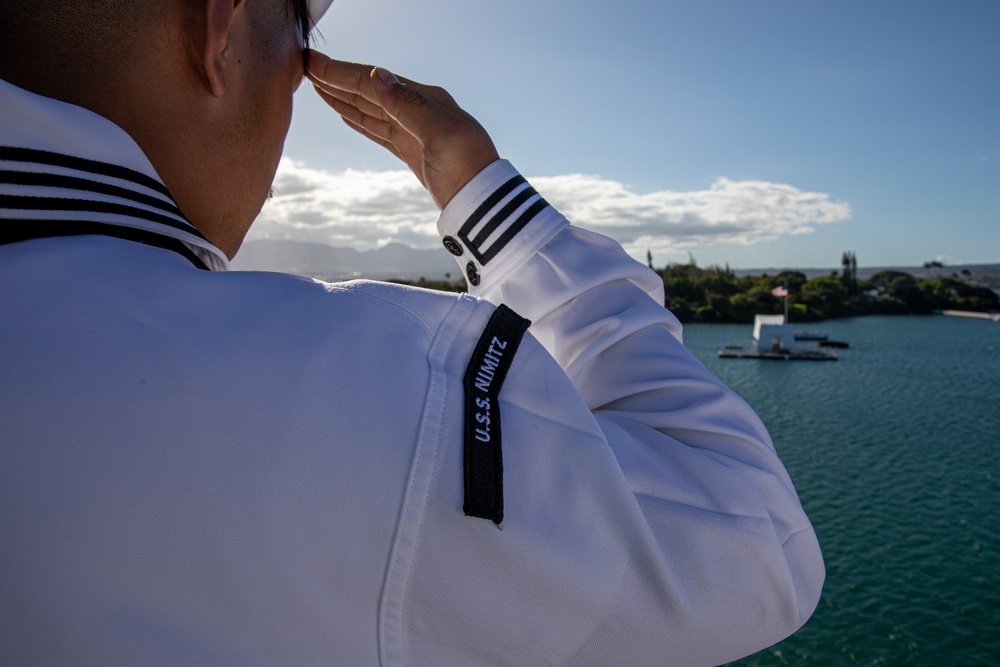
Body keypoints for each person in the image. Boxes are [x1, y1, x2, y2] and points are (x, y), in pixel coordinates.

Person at [0, 0, 824, 664]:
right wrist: (493, 207)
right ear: (218, 27)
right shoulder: (342, 393)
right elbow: (756, 542)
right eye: (298, 38)